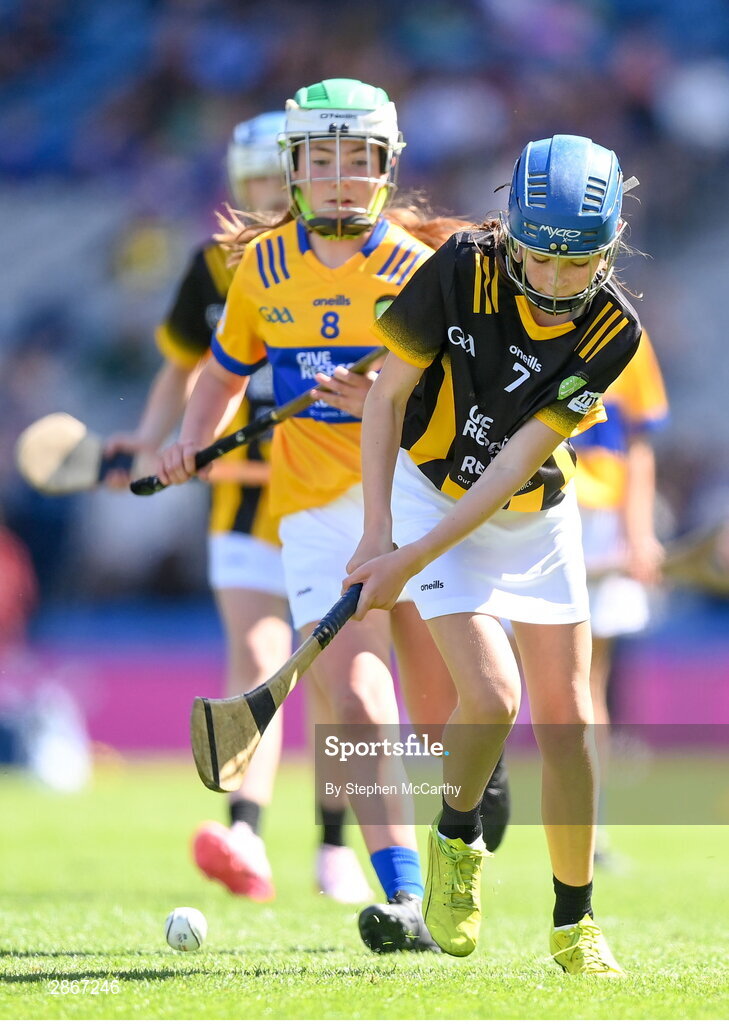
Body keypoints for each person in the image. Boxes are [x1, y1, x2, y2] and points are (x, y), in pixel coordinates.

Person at [154, 78, 508, 952]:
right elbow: (224, 371)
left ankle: (469, 783)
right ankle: (406, 899)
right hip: (314, 510)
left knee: (439, 706)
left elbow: (473, 398)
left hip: (422, 501)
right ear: (295, 169)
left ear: (387, 169)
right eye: (323, 159)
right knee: (352, 694)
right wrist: (192, 441)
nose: (341, 177)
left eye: (360, 159)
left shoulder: (424, 272)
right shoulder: (260, 267)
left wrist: (383, 401)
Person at [344, 134, 642, 974]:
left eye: (577, 262)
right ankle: (456, 837)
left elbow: (514, 462)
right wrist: (377, 533)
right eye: (538, 257)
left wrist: (406, 563)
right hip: (425, 491)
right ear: (510, 232)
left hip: (532, 516)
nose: (553, 283)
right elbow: (385, 398)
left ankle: (574, 925)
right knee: (491, 696)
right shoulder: (459, 270)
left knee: (571, 720)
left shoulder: (613, 330)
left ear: (609, 249)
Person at [104, 112, 373, 906]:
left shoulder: (346, 258)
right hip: (242, 504)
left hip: (331, 497)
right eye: (251, 183)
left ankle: (335, 843)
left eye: (272, 180)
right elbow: (186, 370)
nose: (264, 197)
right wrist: (156, 442)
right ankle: (248, 831)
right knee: (259, 661)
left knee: (336, 683)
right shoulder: (220, 266)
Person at [571, 331, 668, 864]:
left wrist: (638, 533)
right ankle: (476, 820)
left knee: (587, 682)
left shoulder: (627, 336)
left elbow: (638, 440)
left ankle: (590, 828)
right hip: (524, 506)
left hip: (603, 521)